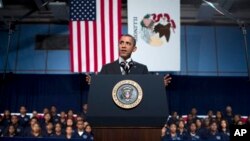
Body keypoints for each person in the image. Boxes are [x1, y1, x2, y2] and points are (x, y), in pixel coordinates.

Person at [86, 34, 172, 86]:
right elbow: (101, 89)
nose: (123, 46)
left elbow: (147, 87)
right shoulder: (106, 68)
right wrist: (95, 84)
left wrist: (159, 86)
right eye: (121, 43)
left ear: (134, 49)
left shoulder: (142, 69)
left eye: (128, 43)